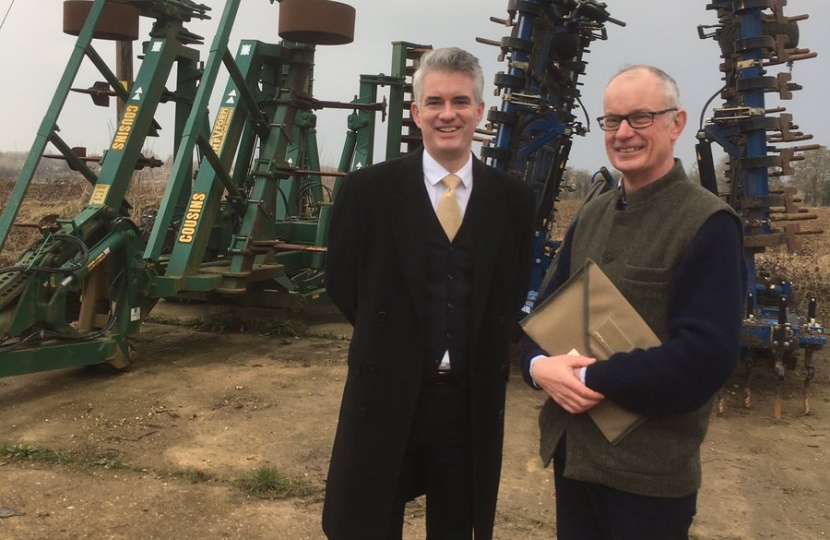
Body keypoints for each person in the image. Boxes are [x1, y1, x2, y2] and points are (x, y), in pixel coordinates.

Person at [520, 65, 746, 539]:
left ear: (676, 123)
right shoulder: (594, 213)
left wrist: (587, 377)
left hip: (647, 480)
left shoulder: (707, 223)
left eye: (641, 118)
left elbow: (704, 358)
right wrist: (538, 369)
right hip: (575, 461)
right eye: (612, 120)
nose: (623, 133)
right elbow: (542, 318)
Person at [322, 47, 536, 540]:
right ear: (416, 112)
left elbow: (510, 291)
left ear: (479, 112)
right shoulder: (367, 192)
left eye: (461, 101)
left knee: (460, 526)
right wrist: (392, 336)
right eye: (435, 102)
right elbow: (342, 281)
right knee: (365, 523)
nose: (448, 114)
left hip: (468, 404)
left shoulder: (512, 201)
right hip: (384, 393)